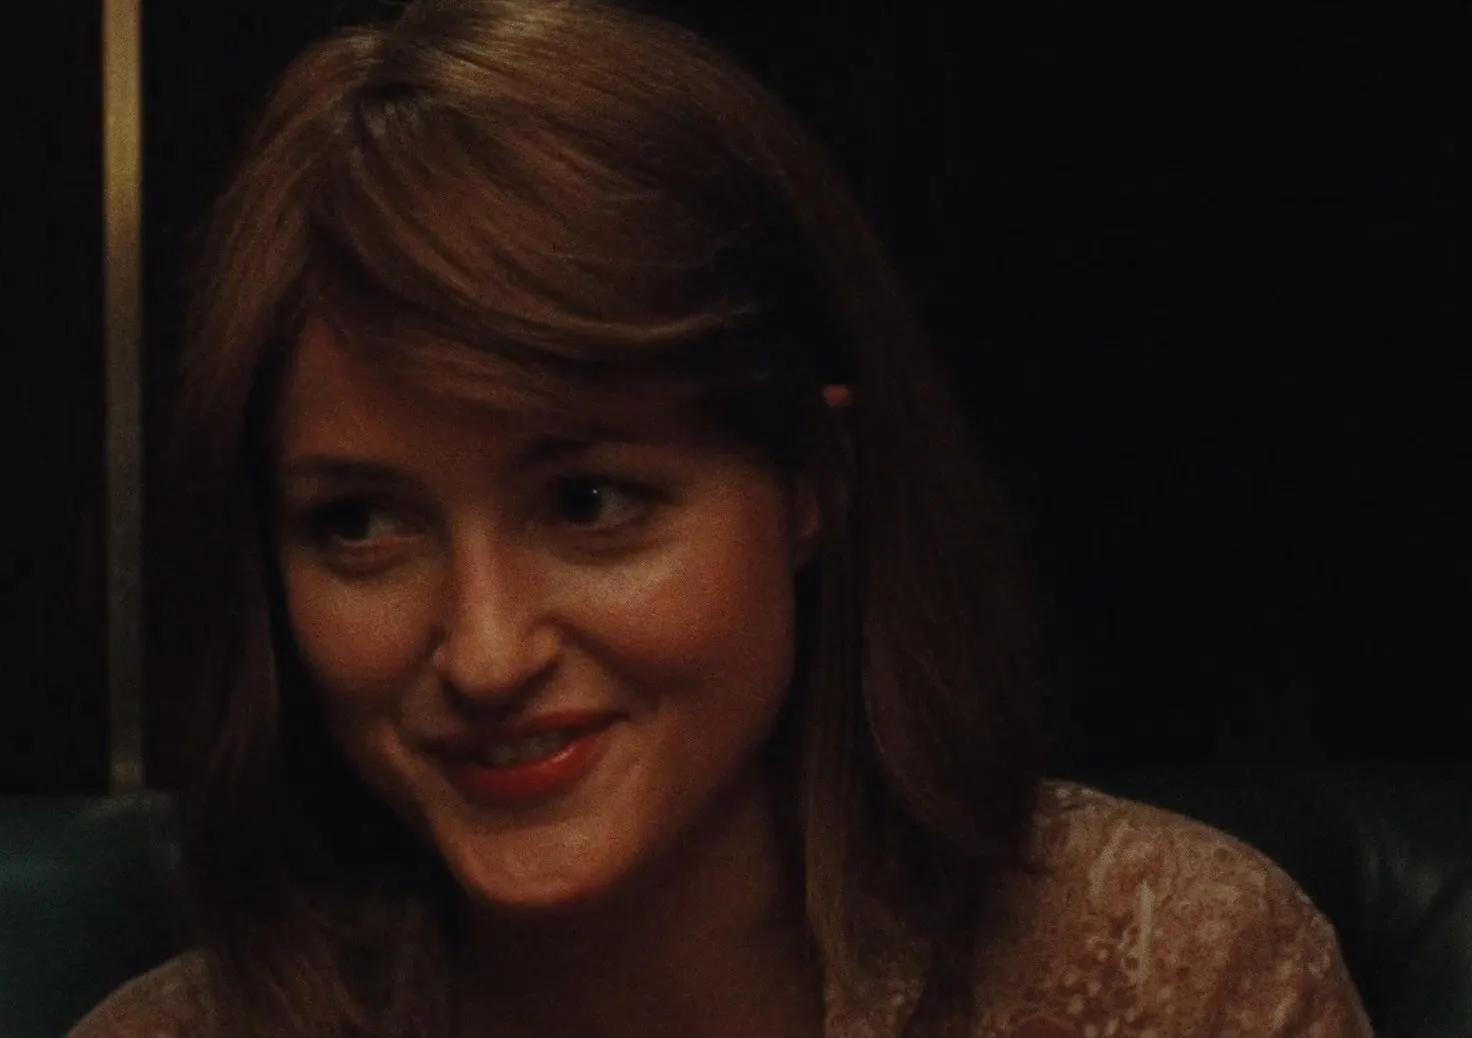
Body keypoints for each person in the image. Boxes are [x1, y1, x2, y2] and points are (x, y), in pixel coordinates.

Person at [72, 0, 1373, 1034]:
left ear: (812, 478)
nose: (485, 651)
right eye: (362, 524)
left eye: (588, 502)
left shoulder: (1167, 975)